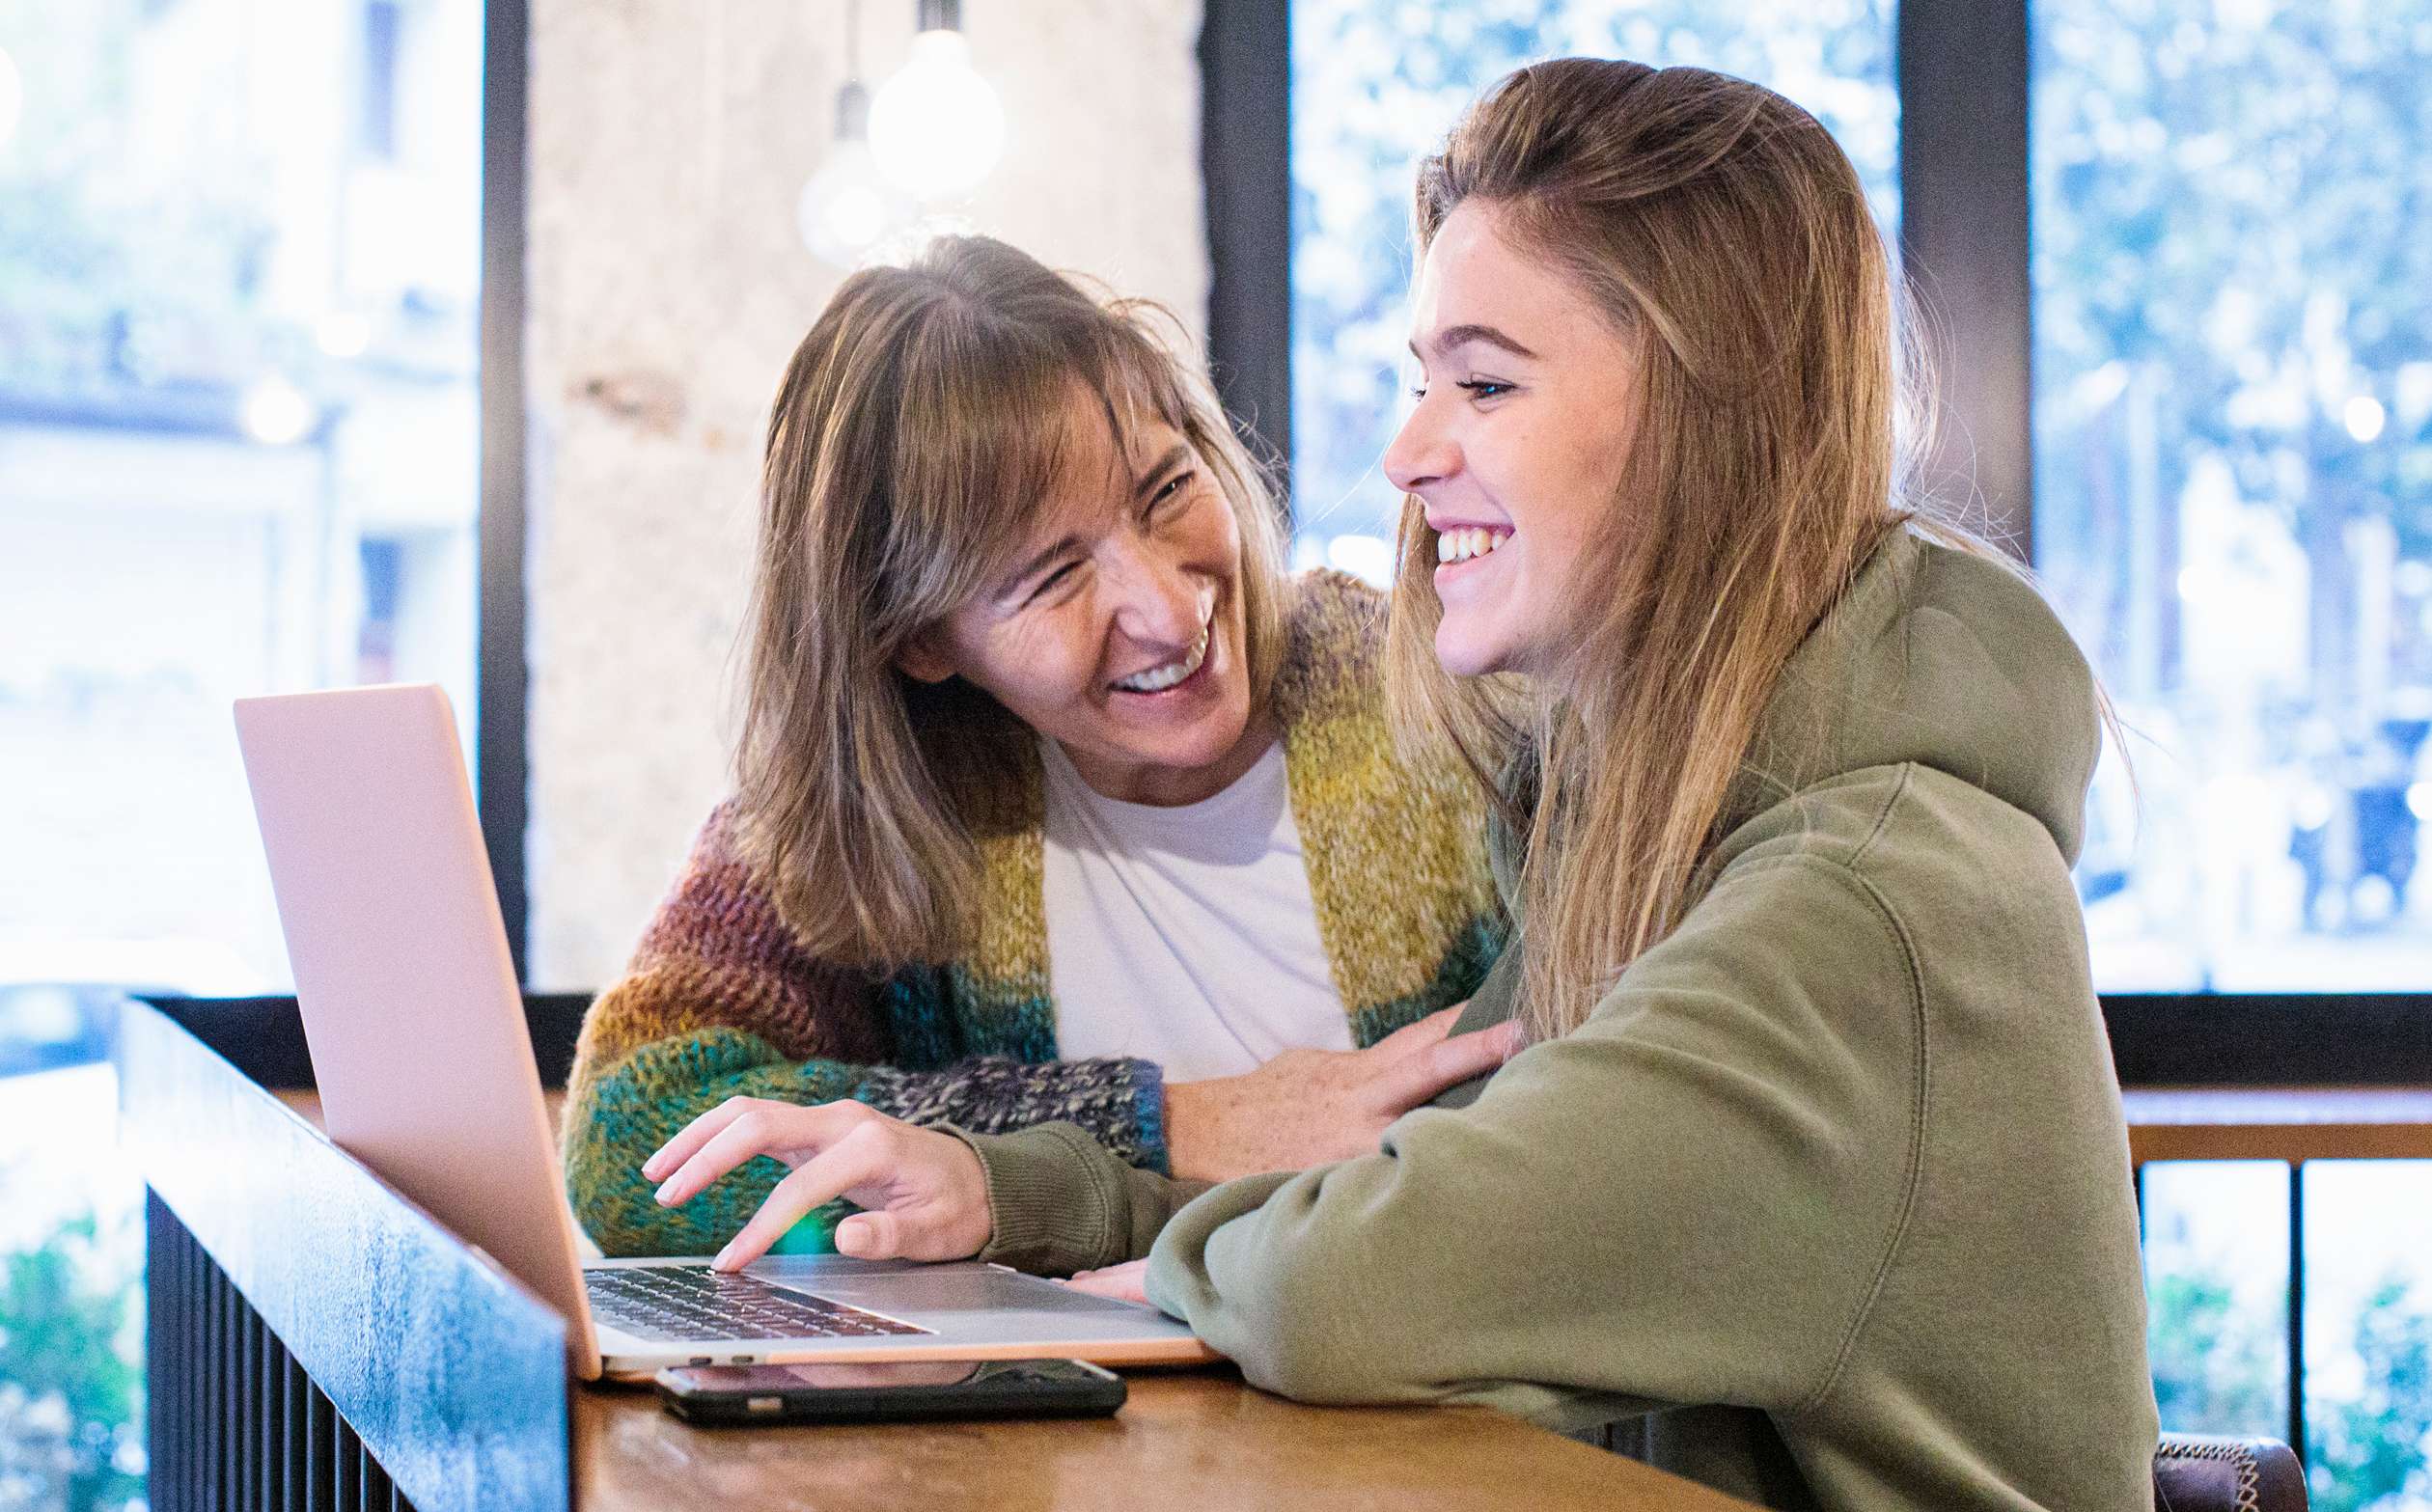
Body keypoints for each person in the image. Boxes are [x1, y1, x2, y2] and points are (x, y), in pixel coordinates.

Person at [646, 60, 2160, 1511]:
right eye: (1419, 379)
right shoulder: (1651, 831)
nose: (1403, 451)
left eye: (1484, 383)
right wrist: (1066, 1186)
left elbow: (1351, 1276)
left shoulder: (1851, 905)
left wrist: (1127, 1177)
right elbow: (1414, 1196)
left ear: (1716, 421)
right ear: (918, 643)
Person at [564, 236, 1519, 1259]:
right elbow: (633, 1140)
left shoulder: (1441, 698)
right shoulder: (895, 799)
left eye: (1164, 492)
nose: (1166, 607)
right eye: (1054, 576)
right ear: (921, 640)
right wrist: (1174, 1124)